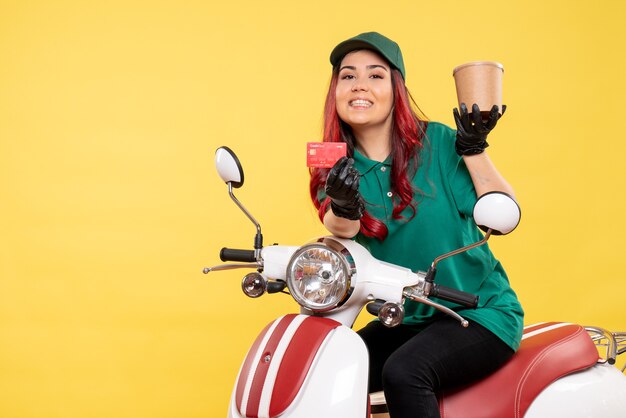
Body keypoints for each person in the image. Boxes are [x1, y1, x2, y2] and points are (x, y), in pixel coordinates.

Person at [309, 32, 524, 418]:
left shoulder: (438, 142)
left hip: (478, 314)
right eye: (347, 76)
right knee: (328, 365)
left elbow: (503, 213)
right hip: (408, 317)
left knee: (406, 372)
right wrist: (343, 202)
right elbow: (340, 229)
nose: (359, 85)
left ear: (396, 89)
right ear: (335, 90)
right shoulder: (337, 164)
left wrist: (473, 148)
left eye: (375, 75)